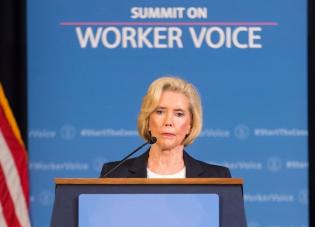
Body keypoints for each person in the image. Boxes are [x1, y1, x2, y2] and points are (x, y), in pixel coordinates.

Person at [100, 76, 231, 178]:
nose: (168, 121)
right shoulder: (114, 174)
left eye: (179, 114)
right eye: (160, 112)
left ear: (190, 125)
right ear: (148, 120)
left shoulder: (218, 177)